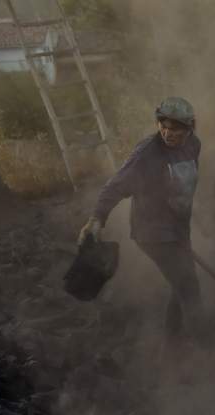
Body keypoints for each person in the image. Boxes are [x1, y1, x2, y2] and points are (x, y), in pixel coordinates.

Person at [78, 97, 202, 342]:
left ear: (189, 128)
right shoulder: (147, 153)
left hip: (178, 229)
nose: (168, 132)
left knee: (181, 284)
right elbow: (114, 187)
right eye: (163, 125)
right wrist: (96, 219)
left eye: (175, 127)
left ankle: (173, 343)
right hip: (153, 233)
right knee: (189, 286)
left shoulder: (193, 146)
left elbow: (186, 185)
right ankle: (206, 345)